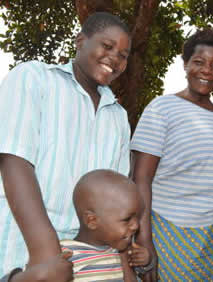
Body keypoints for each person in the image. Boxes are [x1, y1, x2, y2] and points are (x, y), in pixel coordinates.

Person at [0, 12, 132, 276]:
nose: (115, 59)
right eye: (107, 46)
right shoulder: (34, 79)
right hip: (23, 251)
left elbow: (116, 202)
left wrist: (125, 267)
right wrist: (45, 255)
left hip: (87, 264)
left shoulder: (118, 116)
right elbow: (14, 163)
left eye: (124, 55)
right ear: (80, 41)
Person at [130, 28, 213, 281]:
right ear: (185, 64)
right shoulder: (161, 109)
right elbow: (140, 179)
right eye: (198, 62)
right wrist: (145, 241)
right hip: (169, 233)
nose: (207, 71)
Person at [1, 169, 152, 281]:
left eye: (137, 217)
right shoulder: (67, 254)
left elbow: (137, 275)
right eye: (127, 219)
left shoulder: (119, 250)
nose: (135, 226)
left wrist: (145, 262)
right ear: (92, 221)